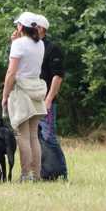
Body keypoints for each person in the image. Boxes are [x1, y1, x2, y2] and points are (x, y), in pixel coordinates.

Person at [2, 12, 47, 182]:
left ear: (21, 26)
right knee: (34, 136)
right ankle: (36, 175)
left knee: (23, 135)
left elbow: (11, 72)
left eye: (18, 24)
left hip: (21, 90)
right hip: (36, 89)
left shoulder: (18, 44)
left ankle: (25, 174)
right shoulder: (40, 44)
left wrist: (5, 95)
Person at [34, 14, 68, 181]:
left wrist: (48, 100)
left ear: (41, 28)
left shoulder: (53, 48)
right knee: (36, 138)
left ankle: (61, 172)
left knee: (49, 137)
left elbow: (58, 76)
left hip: (46, 101)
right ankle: (45, 172)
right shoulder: (31, 47)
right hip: (31, 100)